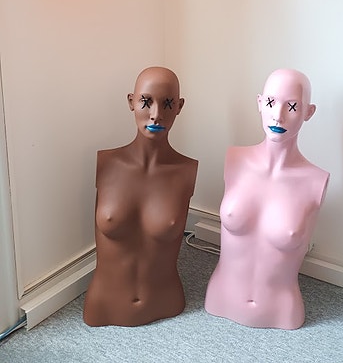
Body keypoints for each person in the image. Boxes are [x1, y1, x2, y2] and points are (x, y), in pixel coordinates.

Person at [204, 68, 329, 330]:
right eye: (271, 102)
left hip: (282, 310)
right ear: (260, 103)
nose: (278, 115)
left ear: (309, 112)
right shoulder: (235, 161)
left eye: (292, 106)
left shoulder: (315, 180)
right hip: (219, 297)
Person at [83, 66, 198, 327]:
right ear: (131, 102)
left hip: (166, 300)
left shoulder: (186, 170)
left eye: (167, 104)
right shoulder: (107, 163)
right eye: (146, 102)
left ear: (179, 106)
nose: (156, 114)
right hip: (103, 303)